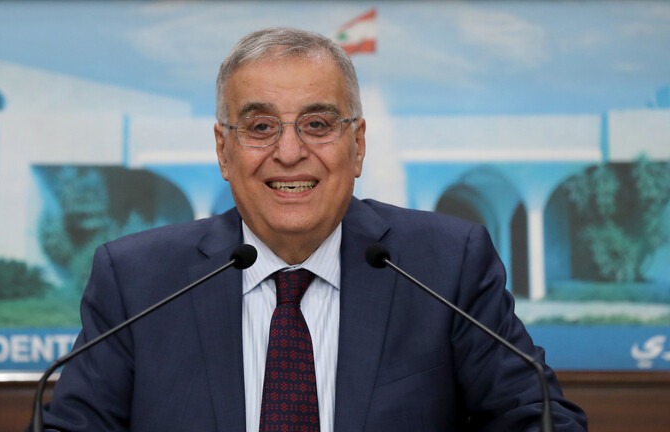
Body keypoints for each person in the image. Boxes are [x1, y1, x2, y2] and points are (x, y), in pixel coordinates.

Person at [39, 27, 588, 431]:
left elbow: (537, 417)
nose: (289, 152)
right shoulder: (137, 281)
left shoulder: (446, 265)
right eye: (260, 126)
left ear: (358, 145)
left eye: (318, 124)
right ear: (223, 150)